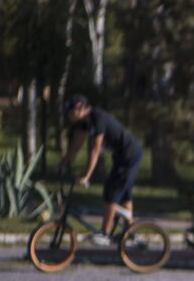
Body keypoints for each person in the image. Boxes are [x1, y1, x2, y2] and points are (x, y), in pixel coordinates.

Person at [60, 95, 143, 245]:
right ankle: (130, 232)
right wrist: (63, 162)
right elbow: (76, 145)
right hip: (121, 156)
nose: (68, 115)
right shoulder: (84, 123)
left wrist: (87, 176)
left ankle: (104, 233)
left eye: (70, 111)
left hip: (129, 155)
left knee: (111, 192)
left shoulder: (98, 118)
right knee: (124, 194)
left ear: (80, 108)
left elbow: (95, 150)